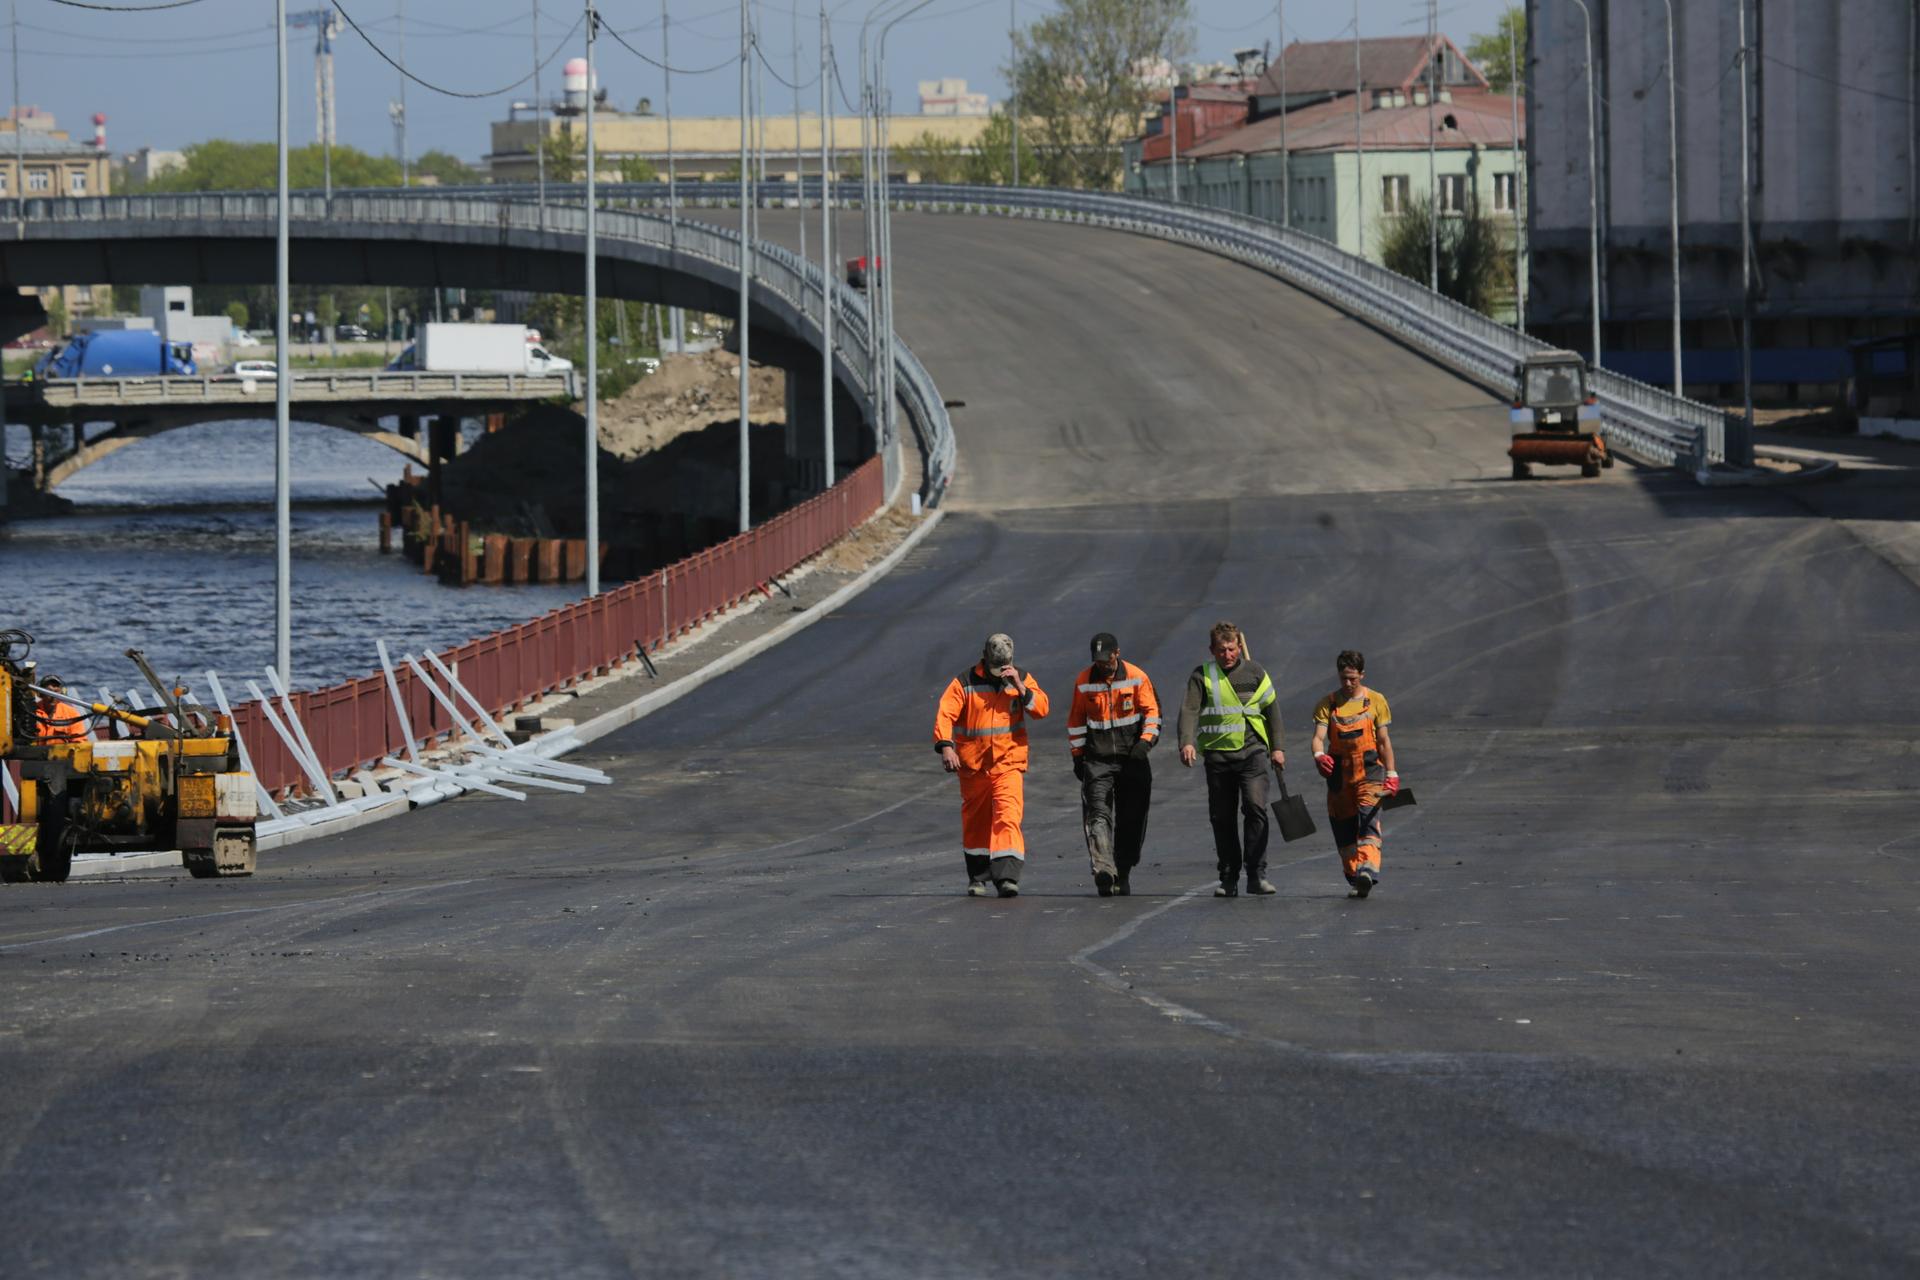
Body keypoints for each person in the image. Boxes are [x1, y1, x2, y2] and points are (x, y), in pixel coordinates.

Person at [933, 633, 1050, 898]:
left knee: (1008, 817)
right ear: (984, 657)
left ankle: (1007, 877)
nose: (1001, 674)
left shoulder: (1020, 677)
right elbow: (945, 713)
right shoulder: (965, 682)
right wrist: (946, 746)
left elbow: (1041, 709)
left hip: (1008, 763)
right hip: (974, 766)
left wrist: (1021, 687)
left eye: (1004, 668)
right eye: (997, 669)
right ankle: (978, 877)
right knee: (977, 823)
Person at [1176, 621, 1285, 898]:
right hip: (1218, 757)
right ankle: (1228, 877)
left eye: (1232, 649)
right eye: (1222, 650)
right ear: (1212, 650)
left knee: (1256, 809)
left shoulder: (1255, 672)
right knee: (1222, 818)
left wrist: (1277, 748)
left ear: (1239, 647)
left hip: (1253, 755)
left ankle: (1257, 874)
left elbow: (1272, 710)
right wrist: (1187, 742)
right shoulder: (1202, 675)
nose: (1228, 655)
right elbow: (1189, 709)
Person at [1067, 632, 1160, 897]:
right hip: (1097, 760)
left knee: (1131, 819)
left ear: (1116, 654)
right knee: (1097, 814)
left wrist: (1145, 743)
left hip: (1133, 760)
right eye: (1097, 661)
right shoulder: (1084, 681)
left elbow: (1153, 713)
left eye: (1106, 660)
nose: (1102, 665)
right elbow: (1076, 720)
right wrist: (1077, 755)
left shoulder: (1137, 677)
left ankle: (1124, 870)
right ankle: (1104, 869)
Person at [1310, 650, 1400, 899]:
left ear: (1362, 674)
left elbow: (1383, 741)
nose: (1348, 684)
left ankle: (1367, 871)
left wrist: (1391, 773)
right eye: (1343, 678)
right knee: (1344, 833)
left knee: (1369, 821)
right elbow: (1318, 738)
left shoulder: (1376, 701)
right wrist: (1319, 757)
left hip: (1370, 772)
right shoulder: (1327, 704)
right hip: (1339, 776)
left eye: (1353, 678)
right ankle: (1355, 878)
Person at [34, 675, 90, 744]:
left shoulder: (71, 713)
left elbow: (79, 741)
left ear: (61, 692)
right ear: (41, 693)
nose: (53, 696)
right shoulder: (31, 711)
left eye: (56, 691)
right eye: (49, 691)